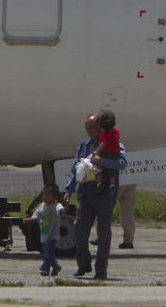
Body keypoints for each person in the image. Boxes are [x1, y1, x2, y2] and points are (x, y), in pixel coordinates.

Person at [63, 112, 127, 280]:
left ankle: (101, 271)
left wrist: (103, 162)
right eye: (87, 128)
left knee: (103, 234)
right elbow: (75, 168)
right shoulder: (84, 145)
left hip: (105, 195)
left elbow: (122, 163)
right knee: (79, 231)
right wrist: (69, 190)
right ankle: (83, 265)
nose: (90, 131)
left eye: (93, 128)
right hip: (85, 194)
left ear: (101, 127)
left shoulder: (114, 143)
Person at [31, 184, 64, 277]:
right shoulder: (41, 206)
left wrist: (67, 204)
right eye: (43, 194)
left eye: (47, 195)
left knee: (48, 253)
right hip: (44, 234)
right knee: (48, 253)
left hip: (52, 235)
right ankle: (56, 266)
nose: (44, 197)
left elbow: (63, 211)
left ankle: (45, 268)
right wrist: (29, 220)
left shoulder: (57, 205)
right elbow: (36, 216)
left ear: (54, 197)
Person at [92, 110, 121, 196]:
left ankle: (99, 183)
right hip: (115, 154)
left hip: (105, 153)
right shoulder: (116, 132)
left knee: (98, 167)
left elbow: (103, 144)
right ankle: (112, 184)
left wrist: (96, 151)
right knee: (111, 171)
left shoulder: (104, 134)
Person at [115, 184, 136, 249]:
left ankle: (101, 238)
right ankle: (128, 240)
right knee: (128, 212)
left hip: (116, 180)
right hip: (131, 179)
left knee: (105, 209)